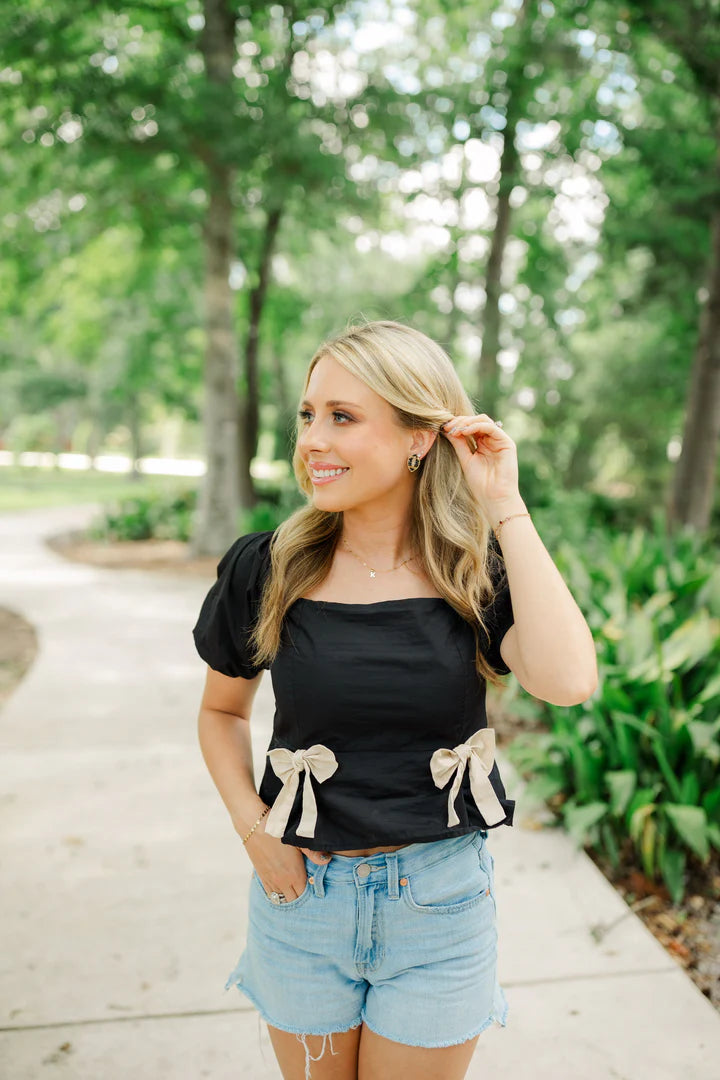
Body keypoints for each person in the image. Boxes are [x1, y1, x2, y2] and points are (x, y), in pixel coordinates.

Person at [192, 318, 598, 1080]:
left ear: (419, 436)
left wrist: (504, 504)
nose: (313, 438)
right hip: (302, 901)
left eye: (343, 417)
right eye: (308, 414)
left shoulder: (476, 571)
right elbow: (221, 713)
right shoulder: (268, 566)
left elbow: (570, 681)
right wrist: (256, 832)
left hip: (438, 907)